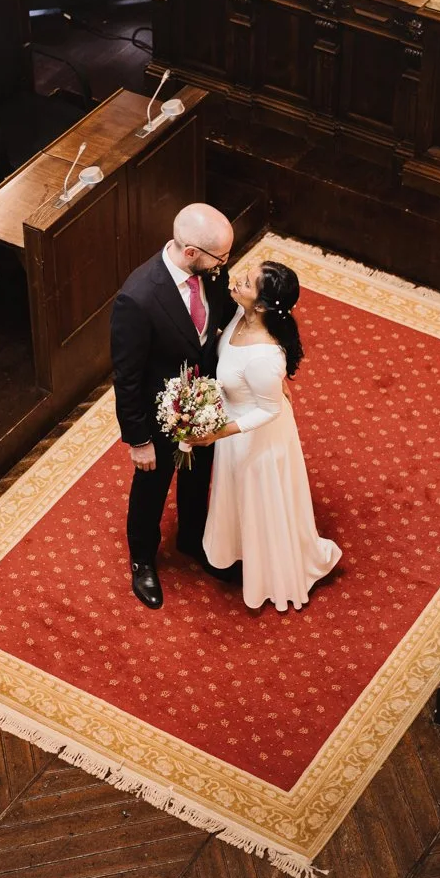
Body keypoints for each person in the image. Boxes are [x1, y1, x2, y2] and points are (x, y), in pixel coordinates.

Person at [191, 261, 341, 611]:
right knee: (237, 498)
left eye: (246, 282)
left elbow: (269, 410)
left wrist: (220, 433)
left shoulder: (263, 356)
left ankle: (271, 569)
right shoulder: (241, 315)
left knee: (260, 503)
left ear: (260, 306)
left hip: (254, 437)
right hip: (236, 426)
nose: (237, 280)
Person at [109, 203, 237, 609]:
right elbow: (127, 378)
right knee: (152, 488)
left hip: (204, 403)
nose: (225, 265)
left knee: (198, 476)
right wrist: (138, 440)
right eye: (220, 257)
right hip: (159, 415)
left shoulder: (211, 270)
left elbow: (225, 315)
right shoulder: (137, 298)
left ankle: (192, 539)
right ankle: (142, 559)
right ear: (191, 252)